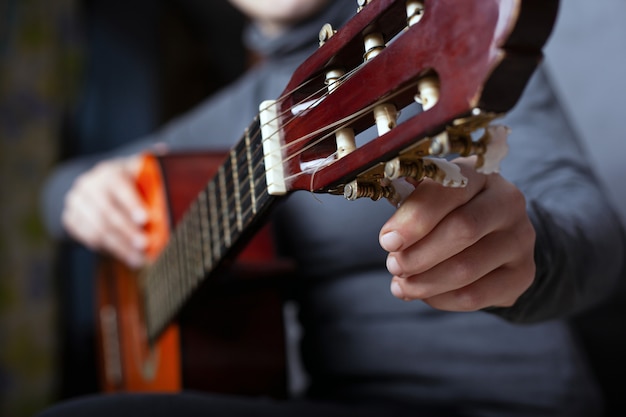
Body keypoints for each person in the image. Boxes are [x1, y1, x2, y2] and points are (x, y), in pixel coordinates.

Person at [38, 0, 625, 416]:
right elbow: (58, 187)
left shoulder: (431, 43)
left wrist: (529, 252)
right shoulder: (223, 119)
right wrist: (75, 194)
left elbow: (593, 233)